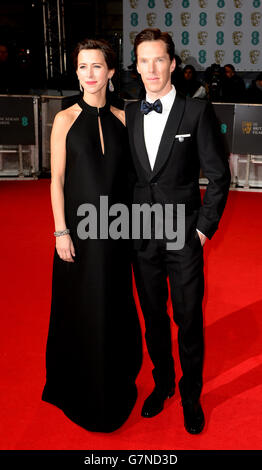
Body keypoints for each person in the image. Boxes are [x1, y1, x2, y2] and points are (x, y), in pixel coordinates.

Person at [125, 28, 231, 434]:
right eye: (143, 60)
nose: (151, 68)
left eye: (158, 59)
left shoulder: (195, 112)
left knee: (188, 319)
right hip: (140, 236)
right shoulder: (130, 112)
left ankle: (190, 395)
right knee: (153, 317)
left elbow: (219, 176)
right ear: (136, 65)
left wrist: (202, 231)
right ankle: (163, 383)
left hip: (183, 236)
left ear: (172, 63)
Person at [42, 38, 142, 433]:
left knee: (114, 311)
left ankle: (115, 385)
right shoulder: (64, 119)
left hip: (116, 236)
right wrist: (60, 231)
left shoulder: (123, 119)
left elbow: (134, 181)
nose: (89, 74)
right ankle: (79, 389)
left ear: (111, 72)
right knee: (80, 312)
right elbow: (57, 181)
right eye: (82, 66)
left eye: (97, 66)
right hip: (78, 237)